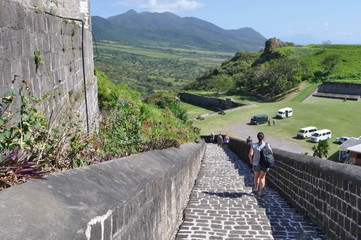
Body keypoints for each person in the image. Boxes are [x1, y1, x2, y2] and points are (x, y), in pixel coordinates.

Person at [248, 132, 271, 197]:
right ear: (263, 137)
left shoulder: (254, 145)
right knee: (262, 177)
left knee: (256, 176)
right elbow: (271, 153)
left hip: (256, 163)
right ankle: (261, 192)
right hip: (265, 164)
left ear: (257, 138)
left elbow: (250, 154)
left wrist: (251, 160)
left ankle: (256, 188)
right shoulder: (267, 145)